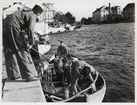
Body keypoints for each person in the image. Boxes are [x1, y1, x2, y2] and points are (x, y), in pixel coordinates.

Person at [3, 5, 43, 81]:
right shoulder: (33, 15)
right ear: (38, 13)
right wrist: (31, 43)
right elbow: (31, 29)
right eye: (39, 15)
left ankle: (13, 75)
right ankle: (29, 75)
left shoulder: (24, 12)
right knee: (21, 50)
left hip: (5, 23)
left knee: (9, 51)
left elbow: (24, 31)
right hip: (13, 25)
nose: (38, 16)